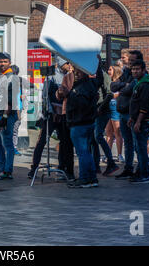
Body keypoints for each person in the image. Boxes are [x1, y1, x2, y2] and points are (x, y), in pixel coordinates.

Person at [60, 57, 103, 188]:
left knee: (82, 152)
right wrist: (98, 63)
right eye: (75, 70)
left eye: (78, 70)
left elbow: (82, 104)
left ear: (84, 71)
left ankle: (85, 178)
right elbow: (99, 78)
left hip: (80, 123)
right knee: (86, 152)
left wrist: (69, 94)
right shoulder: (91, 83)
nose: (75, 73)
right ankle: (91, 178)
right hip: (86, 122)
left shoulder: (83, 86)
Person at [29, 58, 75, 181]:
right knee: (42, 140)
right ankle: (34, 168)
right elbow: (46, 95)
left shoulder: (70, 75)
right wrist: (50, 111)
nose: (69, 65)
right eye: (67, 63)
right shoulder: (52, 76)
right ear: (61, 64)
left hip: (64, 114)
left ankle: (62, 167)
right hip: (52, 114)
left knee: (64, 141)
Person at [113, 49, 144, 180]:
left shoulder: (140, 75)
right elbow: (113, 86)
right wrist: (122, 86)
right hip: (122, 112)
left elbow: (129, 89)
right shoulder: (126, 71)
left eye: (132, 61)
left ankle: (142, 169)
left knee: (137, 144)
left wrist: (122, 87)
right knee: (128, 144)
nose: (130, 64)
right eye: (129, 61)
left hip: (132, 115)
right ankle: (128, 169)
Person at [127, 59, 149, 184]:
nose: (134, 71)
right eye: (133, 69)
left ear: (143, 70)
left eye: (137, 69)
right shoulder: (140, 83)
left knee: (141, 149)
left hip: (144, 122)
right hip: (138, 120)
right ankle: (140, 172)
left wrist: (138, 121)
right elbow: (136, 104)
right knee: (139, 149)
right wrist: (132, 118)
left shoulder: (145, 85)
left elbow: (145, 106)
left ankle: (145, 175)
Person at [0, 52, 19, 180]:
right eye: (0, 61)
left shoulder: (12, 77)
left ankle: (8, 171)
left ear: (9, 62)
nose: (2, 64)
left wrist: (5, 117)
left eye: (4, 61)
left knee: (7, 144)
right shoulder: (0, 76)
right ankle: (2, 167)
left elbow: (10, 100)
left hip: (7, 115)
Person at [90, 63, 119, 177]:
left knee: (98, 136)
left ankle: (111, 163)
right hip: (95, 110)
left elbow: (109, 94)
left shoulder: (103, 75)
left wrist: (101, 108)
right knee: (93, 138)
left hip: (102, 111)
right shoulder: (92, 73)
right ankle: (96, 166)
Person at [106, 65, 124, 163]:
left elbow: (119, 94)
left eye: (110, 69)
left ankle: (120, 155)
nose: (108, 71)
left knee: (117, 132)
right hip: (107, 107)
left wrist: (109, 96)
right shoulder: (109, 81)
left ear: (115, 71)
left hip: (115, 106)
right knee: (108, 133)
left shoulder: (118, 83)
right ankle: (108, 155)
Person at [11, 65, 26, 156]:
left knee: (15, 129)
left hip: (18, 109)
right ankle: (9, 148)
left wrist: (22, 97)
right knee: (9, 129)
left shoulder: (19, 82)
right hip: (10, 108)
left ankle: (14, 147)